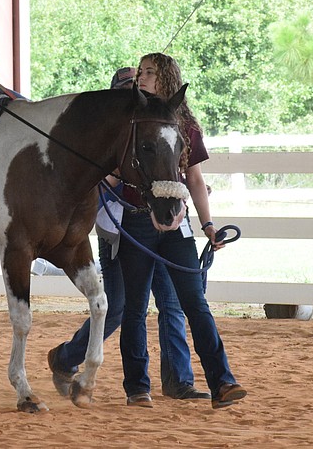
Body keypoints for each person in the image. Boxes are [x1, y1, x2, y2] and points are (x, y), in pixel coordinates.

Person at [47, 66, 211, 405]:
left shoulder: (163, 127)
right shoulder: (114, 134)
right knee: (120, 307)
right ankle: (67, 357)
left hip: (165, 225)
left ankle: (178, 381)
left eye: (141, 84)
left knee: (171, 303)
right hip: (122, 228)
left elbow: (189, 175)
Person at [118, 53, 245, 409]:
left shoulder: (186, 127)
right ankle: (137, 387)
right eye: (140, 71)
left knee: (195, 303)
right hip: (138, 220)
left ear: (166, 79)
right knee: (135, 307)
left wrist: (208, 226)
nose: (140, 76)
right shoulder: (129, 121)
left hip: (177, 224)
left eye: (149, 72)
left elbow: (195, 179)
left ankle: (222, 382)